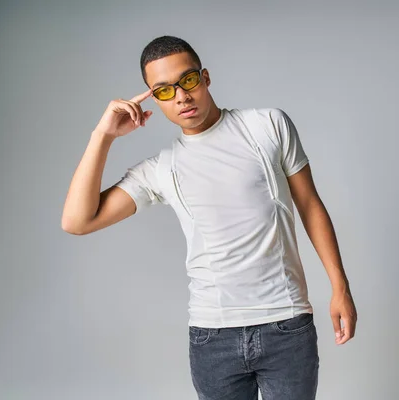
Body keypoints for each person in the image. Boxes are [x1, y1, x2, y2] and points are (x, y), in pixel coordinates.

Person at [61, 35, 357, 399]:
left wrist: (339, 287)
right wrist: (103, 135)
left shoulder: (267, 125)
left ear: (205, 78)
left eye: (187, 81)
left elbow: (310, 204)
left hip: (286, 325)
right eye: (165, 90)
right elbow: (77, 221)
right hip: (212, 338)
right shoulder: (160, 169)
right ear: (154, 99)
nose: (182, 96)